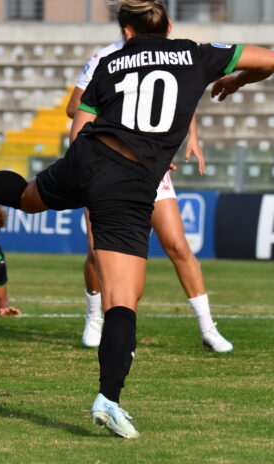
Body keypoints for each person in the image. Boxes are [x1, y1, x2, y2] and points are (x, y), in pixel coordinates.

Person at [0, 0, 274, 438]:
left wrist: (83, 175)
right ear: (168, 25)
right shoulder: (196, 53)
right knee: (123, 298)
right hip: (130, 181)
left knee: (27, 196)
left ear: (126, 31)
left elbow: (80, 123)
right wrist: (235, 80)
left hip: (89, 156)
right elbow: (271, 59)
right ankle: (109, 399)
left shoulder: (111, 60)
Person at [66, 40, 232, 353]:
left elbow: (181, 97)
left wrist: (192, 136)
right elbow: (74, 107)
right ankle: (94, 318)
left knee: (178, 245)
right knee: (96, 249)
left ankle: (208, 328)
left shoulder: (169, 54)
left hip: (151, 167)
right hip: (106, 164)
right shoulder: (105, 57)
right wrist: (123, 130)